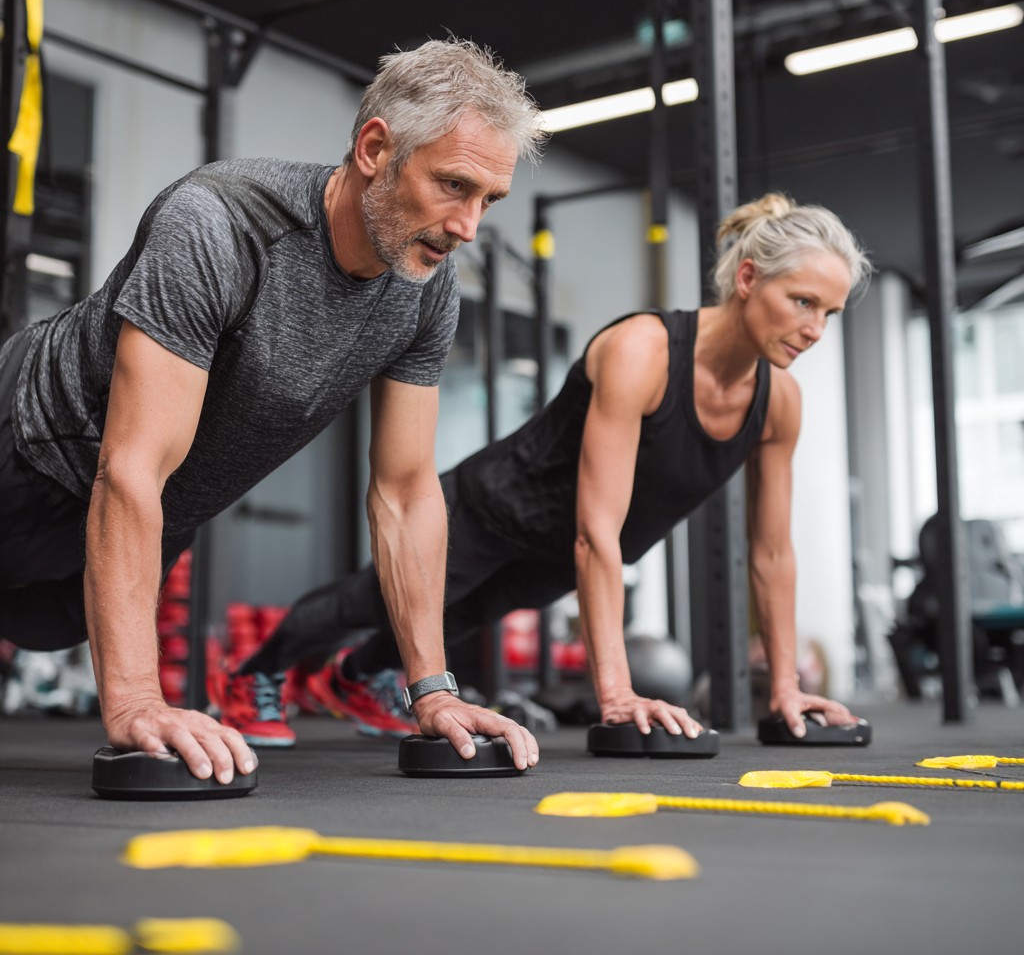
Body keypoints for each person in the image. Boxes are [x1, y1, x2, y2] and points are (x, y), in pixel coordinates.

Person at [0, 38, 545, 780]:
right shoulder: (218, 225)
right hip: (28, 446)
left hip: (154, 515)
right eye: (453, 185)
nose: (468, 227)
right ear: (375, 149)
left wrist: (432, 692)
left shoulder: (425, 288)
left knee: (44, 625)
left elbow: (407, 491)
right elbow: (129, 467)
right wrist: (133, 703)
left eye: (489, 200)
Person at [235, 193, 870, 744]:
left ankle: (355, 679)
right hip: (495, 506)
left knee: (464, 615)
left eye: (829, 314)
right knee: (377, 598)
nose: (815, 329)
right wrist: (616, 695)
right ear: (749, 278)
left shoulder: (778, 403)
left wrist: (786, 689)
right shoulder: (642, 353)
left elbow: (772, 553)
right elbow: (599, 531)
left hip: (557, 555)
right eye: (803, 302)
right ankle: (254, 674)